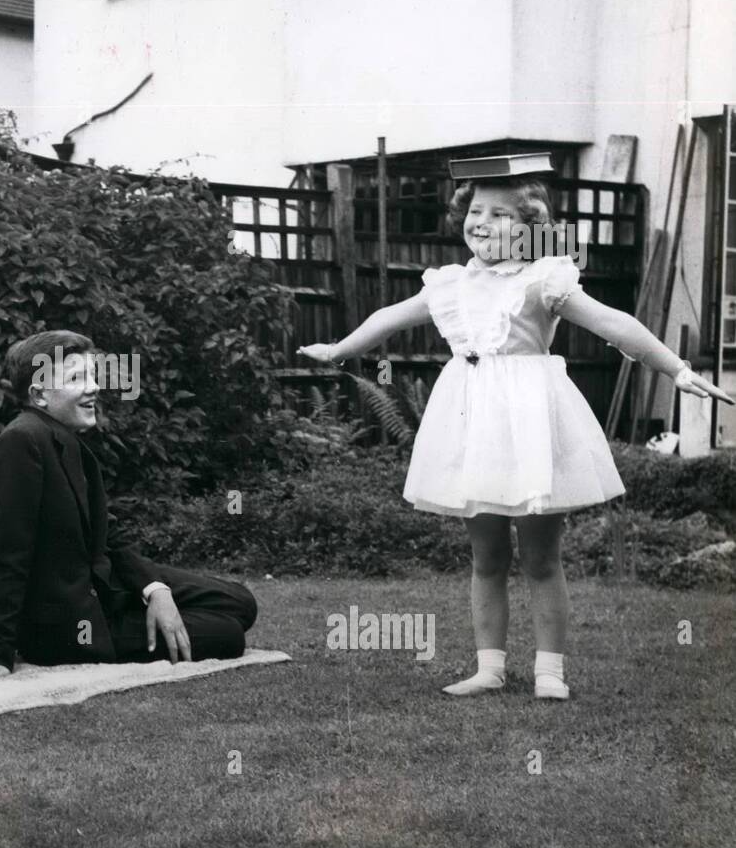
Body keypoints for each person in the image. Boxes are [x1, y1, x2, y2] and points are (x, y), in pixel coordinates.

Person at [297, 164, 732, 700]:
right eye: (475, 211)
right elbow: (389, 316)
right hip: (474, 426)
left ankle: (550, 672)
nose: (482, 222)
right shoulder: (450, 284)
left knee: (542, 557)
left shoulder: (544, 279)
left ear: (528, 227)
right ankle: (490, 668)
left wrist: (678, 370)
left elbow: (615, 323)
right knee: (487, 557)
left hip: (530, 425)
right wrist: (339, 351)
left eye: (500, 215)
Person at [0, 330, 258, 679]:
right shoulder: (21, 442)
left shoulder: (66, 438)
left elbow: (109, 534)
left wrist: (155, 590)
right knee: (227, 634)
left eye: (91, 376)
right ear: (39, 394)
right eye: (76, 379)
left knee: (240, 602)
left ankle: (152, 601)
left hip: (107, 589)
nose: (93, 388)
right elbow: (6, 553)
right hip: (73, 625)